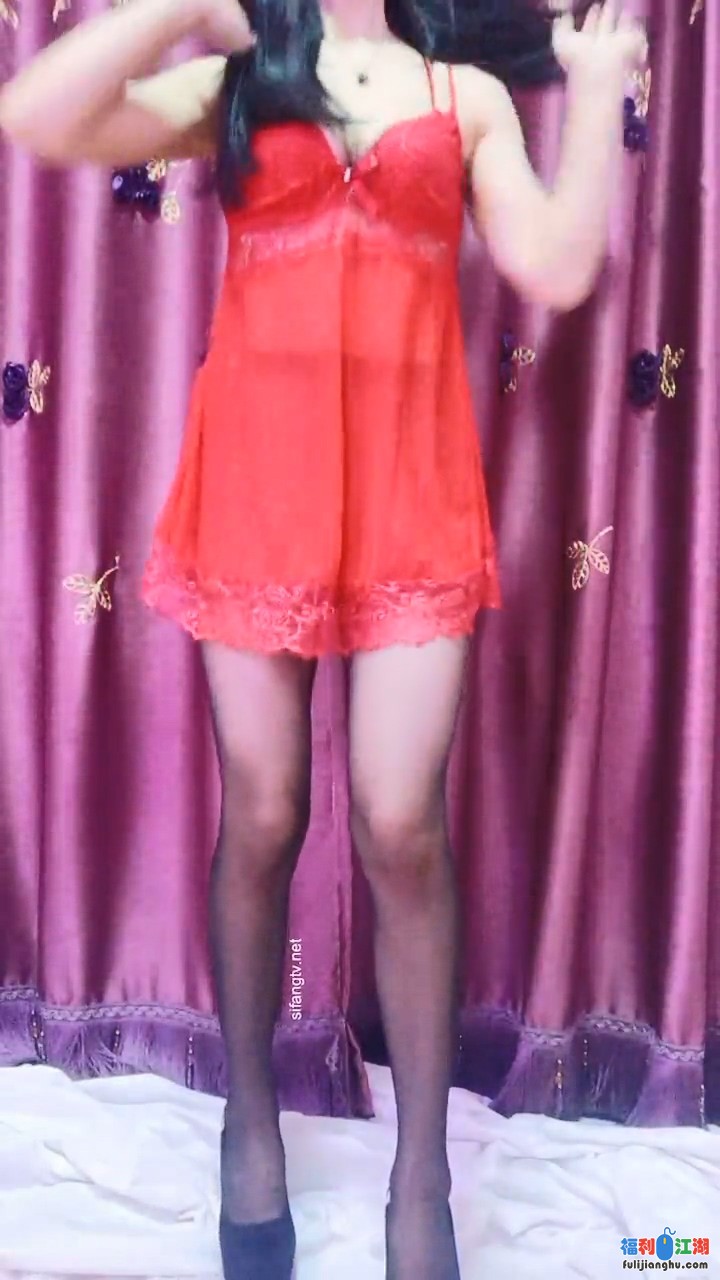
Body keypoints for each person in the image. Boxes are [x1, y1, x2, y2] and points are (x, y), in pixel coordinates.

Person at [0, 1, 646, 1276]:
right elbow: (37, 114)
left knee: (402, 822)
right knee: (263, 811)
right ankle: (250, 1124)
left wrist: (595, 89)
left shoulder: (465, 96)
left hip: (411, 491)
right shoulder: (243, 82)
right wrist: (190, 8)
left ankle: (422, 1180)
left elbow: (559, 267)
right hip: (256, 483)